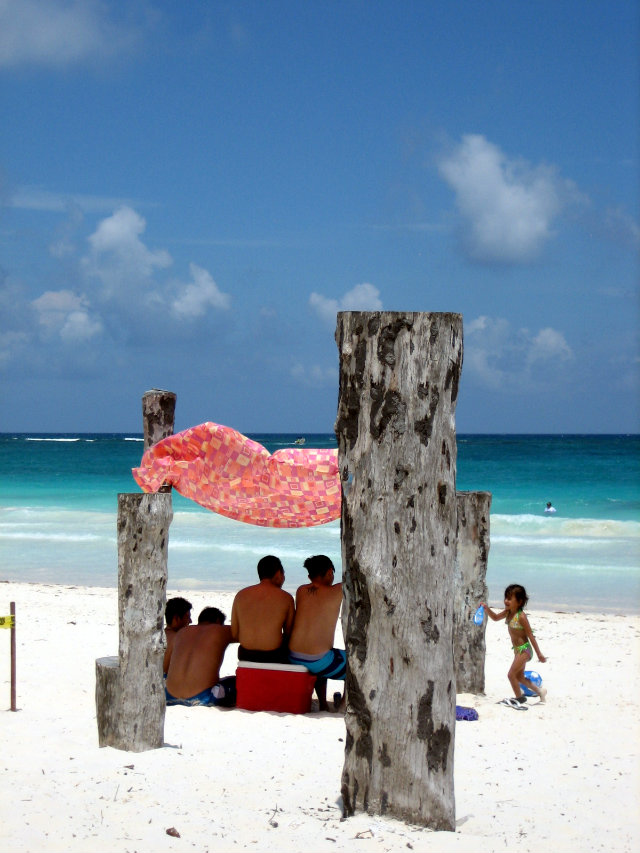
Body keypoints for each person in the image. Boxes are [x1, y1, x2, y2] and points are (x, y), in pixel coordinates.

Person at [288, 554, 345, 711]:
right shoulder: (338, 590)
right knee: (353, 664)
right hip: (319, 660)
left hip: (293, 656)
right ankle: (345, 704)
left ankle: (323, 704)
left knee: (324, 656)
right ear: (329, 573)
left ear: (309, 576)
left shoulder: (301, 591)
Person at [482, 584, 547, 709]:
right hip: (517, 651)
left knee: (511, 674)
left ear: (519, 602)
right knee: (519, 676)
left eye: (510, 598)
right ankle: (540, 691)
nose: (506, 601)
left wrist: (539, 654)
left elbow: (531, 636)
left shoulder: (521, 617)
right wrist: (486, 608)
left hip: (525, 650)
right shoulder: (508, 613)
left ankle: (519, 697)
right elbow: (495, 618)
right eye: (506, 598)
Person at [165, 606, 236, 707]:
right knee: (236, 681)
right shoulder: (220, 630)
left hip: (169, 696)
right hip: (202, 697)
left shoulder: (182, 632)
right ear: (218, 621)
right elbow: (246, 635)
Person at [230, 555, 294, 663]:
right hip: (273, 656)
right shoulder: (286, 598)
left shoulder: (240, 595)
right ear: (278, 574)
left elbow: (235, 634)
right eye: (283, 574)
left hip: (245, 655)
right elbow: (289, 633)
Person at [164, 596, 192, 674]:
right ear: (176, 618)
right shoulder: (179, 639)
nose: (190, 621)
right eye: (188, 617)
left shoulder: (161, 635)